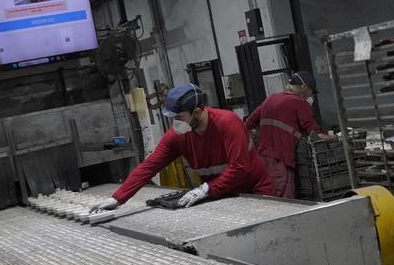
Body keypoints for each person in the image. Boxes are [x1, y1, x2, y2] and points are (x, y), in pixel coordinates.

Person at [91, 83, 274, 211]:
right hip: (223, 195)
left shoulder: (228, 123)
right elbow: (150, 165)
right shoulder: (178, 136)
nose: (175, 124)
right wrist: (117, 198)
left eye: (179, 118)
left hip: (255, 193)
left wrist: (205, 190)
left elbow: (239, 168)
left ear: (197, 112)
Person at [245, 71, 321, 199]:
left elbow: (247, 125)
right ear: (304, 87)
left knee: (270, 200)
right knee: (285, 205)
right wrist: (336, 138)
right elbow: (315, 135)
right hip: (281, 162)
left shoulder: (270, 99)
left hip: (262, 160)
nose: (311, 96)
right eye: (311, 92)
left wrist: (261, 135)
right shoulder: (300, 103)